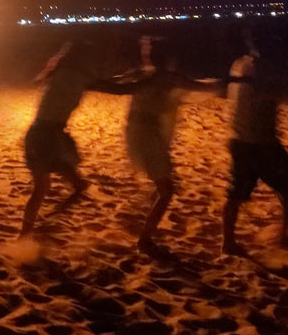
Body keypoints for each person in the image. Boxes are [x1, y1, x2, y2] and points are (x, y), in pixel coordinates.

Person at [91, 37, 221, 252]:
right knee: (166, 190)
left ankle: (146, 230)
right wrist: (233, 82)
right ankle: (145, 239)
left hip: (137, 132)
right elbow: (202, 87)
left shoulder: (144, 75)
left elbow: (116, 85)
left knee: (162, 185)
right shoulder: (164, 78)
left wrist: (91, 82)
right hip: (147, 135)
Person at [222, 32, 288, 255]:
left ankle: (229, 242)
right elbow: (268, 94)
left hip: (239, 138)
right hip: (260, 143)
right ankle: (283, 237)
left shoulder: (239, 63)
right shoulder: (265, 68)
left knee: (237, 194)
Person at [19, 41, 97, 237]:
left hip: (38, 135)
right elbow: (114, 87)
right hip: (48, 139)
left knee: (42, 189)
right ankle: (46, 223)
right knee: (77, 186)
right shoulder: (75, 76)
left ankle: (28, 234)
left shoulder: (58, 75)